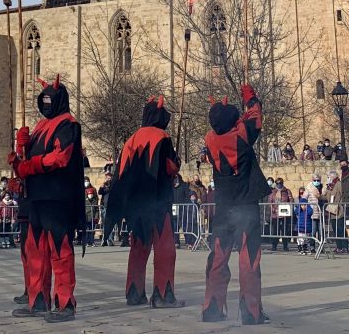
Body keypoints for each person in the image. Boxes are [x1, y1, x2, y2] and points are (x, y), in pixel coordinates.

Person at [10, 78, 85, 323]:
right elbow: (23, 163)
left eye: (49, 99)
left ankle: (65, 304)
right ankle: (37, 300)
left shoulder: (69, 124)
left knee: (60, 251)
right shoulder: (41, 125)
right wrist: (21, 147)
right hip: (36, 198)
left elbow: (60, 157)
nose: (46, 103)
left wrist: (30, 165)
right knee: (35, 250)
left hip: (58, 197)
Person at [106, 96, 185, 308]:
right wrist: (176, 164)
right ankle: (162, 294)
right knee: (165, 247)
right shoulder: (162, 137)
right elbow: (169, 168)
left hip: (136, 205)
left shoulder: (130, 140)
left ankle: (134, 292)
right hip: (158, 202)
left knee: (139, 247)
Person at [201, 85, 269, 325]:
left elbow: (221, 124)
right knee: (248, 259)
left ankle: (212, 308)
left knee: (218, 257)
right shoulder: (241, 135)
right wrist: (249, 95)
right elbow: (256, 115)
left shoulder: (210, 140)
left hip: (223, 207)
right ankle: (251, 311)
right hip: (245, 205)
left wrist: (219, 110)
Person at [267, 177, 294, 252]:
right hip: (275, 215)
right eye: (277, 183)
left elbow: (291, 200)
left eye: (280, 183)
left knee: (284, 231)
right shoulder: (273, 192)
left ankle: (285, 246)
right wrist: (272, 208)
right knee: (275, 231)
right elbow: (270, 201)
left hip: (284, 214)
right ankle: (274, 246)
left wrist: (288, 206)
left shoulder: (287, 191)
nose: (279, 184)